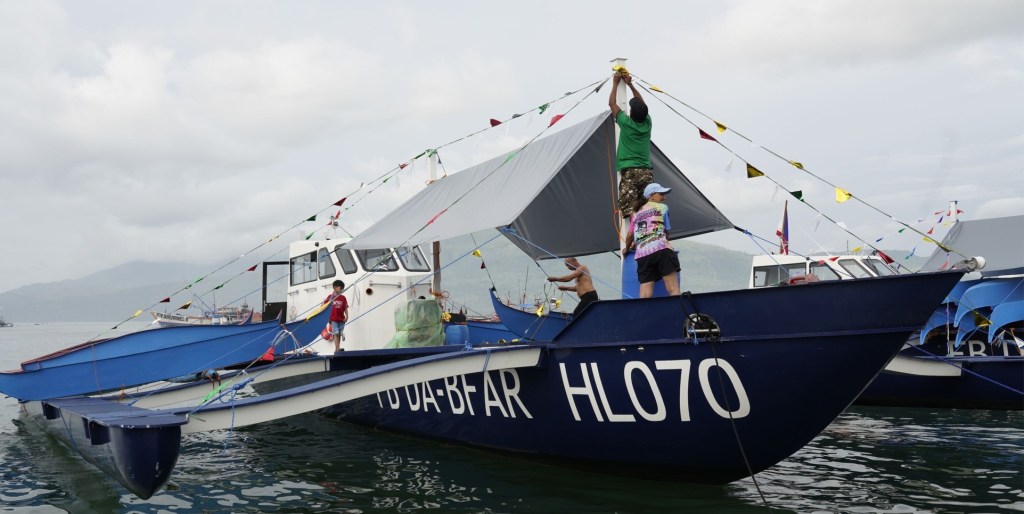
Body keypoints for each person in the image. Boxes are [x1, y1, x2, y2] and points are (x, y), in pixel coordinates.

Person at [624, 183, 681, 298]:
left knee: (645, 295)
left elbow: (631, 235)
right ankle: (678, 314)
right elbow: (665, 232)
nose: (664, 197)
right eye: (661, 194)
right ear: (651, 196)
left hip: (643, 255)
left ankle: (644, 315)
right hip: (661, 249)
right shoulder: (663, 207)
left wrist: (626, 248)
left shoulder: (637, 214)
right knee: (673, 289)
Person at [609, 71, 653, 221]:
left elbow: (612, 104)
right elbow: (642, 104)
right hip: (646, 172)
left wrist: (615, 84)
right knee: (646, 209)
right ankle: (645, 239)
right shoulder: (648, 123)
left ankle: (632, 240)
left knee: (630, 212)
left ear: (631, 114)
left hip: (630, 172)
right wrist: (630, 84)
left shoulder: (626, 123)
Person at [322, 279, 349, 352]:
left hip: (341, 319)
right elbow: (325, 306)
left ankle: (337, 348)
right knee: (336, 333)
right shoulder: (330, 297)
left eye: (342, 288)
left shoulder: (343, 298)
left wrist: (347, 316)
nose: (341, 290)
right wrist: (327, 318)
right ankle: (337, 348)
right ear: (335, 288)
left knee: (339, 333)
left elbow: (346, 308)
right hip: (333, 319)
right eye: (340, 288)